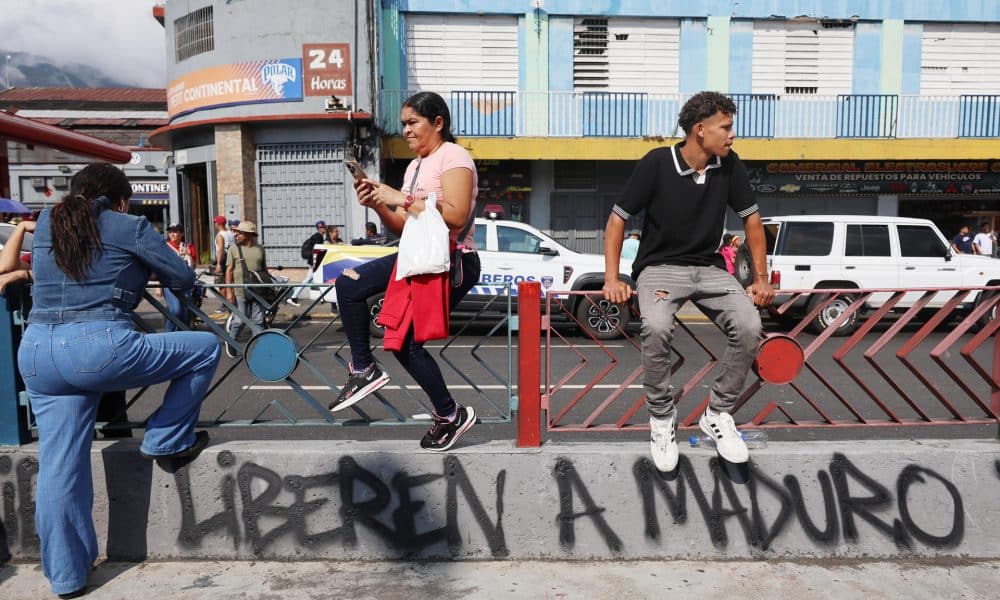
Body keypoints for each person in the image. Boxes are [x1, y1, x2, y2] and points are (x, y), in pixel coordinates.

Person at [0, 163, 220, 598]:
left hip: (38, 350)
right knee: (205, 348)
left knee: (59, 467)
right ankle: (165, 437)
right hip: (97, 345)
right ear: (120, 198)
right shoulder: (130, 224)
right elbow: (181, 276)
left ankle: (66, 577)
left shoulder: (46, 223)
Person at [602, 91, 775, 472]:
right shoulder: (657, 163)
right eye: (725, 128)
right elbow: (618, 218)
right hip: (660, 268)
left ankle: (717, 413)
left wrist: (760, 279)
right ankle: (662, 418)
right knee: (656, 325)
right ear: (700, 130)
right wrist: (612, 278)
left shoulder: (730, 166)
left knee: (749, 325)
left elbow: (752, 221)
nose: (732, 136)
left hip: (710, 269)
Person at [333, 91, 481, 451]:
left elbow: (457, 217)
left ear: (438, 123)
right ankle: (364, 369)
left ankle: (450, 415)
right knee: (349, 285)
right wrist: (379, 204)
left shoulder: (454, 157)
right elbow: (403, 225)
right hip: (417, 254)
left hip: (452, 260)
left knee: (408, 343)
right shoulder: (415, 167)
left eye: (413, 122)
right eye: (403, 124)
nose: (407, 131)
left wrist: (401, 198)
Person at [225, 220, 267, 358]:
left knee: (258, 321)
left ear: (249, 235)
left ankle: (259, 350)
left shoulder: (260, 249)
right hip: (240, 291)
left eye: (240, 232)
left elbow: (264, 269)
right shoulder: (233, 248)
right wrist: (229, 291)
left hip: (258, 290)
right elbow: (229, 270)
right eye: (236, 232)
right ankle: (231, 341)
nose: (236, 234)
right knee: (240, 320)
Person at [163, 223, 196, 331]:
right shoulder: (164, 246)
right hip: (169, 282)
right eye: (170, 231)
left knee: (184, 314)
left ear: (181, 233)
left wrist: (188, 255)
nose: (172, 234)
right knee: (175, 311)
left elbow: (193, 266)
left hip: (185, 284)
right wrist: (158, 287)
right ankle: (168, 336)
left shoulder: (188, 246)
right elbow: (160, 266)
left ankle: (183, 339)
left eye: (175, 231)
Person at [288, 220, 329, 306]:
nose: (325, 229)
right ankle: (293, 297)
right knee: (315, 279)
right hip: (314, 261)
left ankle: (293, 297)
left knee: (311, 279)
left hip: (313, 261)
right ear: (319, 228)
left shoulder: (317, 236)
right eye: (323, 227)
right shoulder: (318, 237)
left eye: (325, 227)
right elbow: (318, 250)